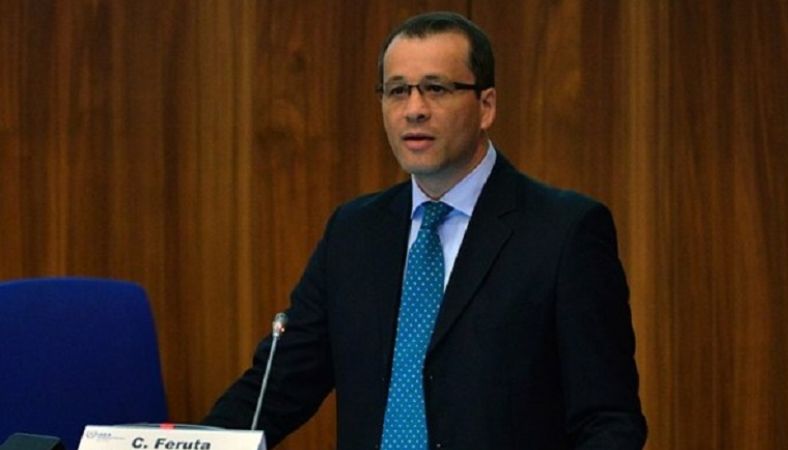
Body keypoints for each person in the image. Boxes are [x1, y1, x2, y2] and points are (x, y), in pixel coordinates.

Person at [204, 11, 647, 449]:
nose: (414, 110)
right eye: (397, 91)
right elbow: (277, 387)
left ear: (486, 106)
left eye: (436, 89)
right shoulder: (354, 234)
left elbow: (608, 422)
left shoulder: (564, 232)